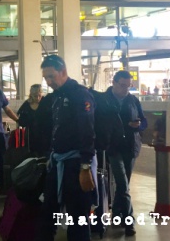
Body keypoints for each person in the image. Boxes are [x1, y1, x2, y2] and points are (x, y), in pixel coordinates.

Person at [35, 55, 96, 241]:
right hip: (57, 161)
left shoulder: (80, 95)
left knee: (77, 216)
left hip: (76, 163)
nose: (48, 81)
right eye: (46, 78)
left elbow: (87, 132)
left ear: (63, 72)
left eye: (52, 76)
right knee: (47, 212)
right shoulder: (55, 97)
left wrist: (85, 167)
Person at [99, 70, 148, 236]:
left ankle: (117, 214)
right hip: (114, 147)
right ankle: (128, 221)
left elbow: (144, 120)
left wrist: (139, 125)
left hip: (131, 146)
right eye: (122, 85)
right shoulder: (104, 100)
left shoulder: (133, 100)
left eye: (128, 86)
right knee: (123, 184)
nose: (125, 89)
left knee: (123, 184)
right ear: (114, 83)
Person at [16, 84, 44, 156]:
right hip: (31, 136)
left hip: (44, 135)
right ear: (31, 95)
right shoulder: (26, 104)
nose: (38, 98)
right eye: (35, 96)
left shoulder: (45, 102)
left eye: (39, 95)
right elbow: (20, 118)